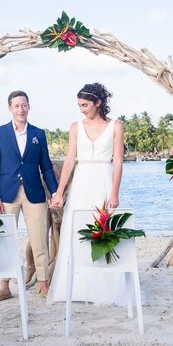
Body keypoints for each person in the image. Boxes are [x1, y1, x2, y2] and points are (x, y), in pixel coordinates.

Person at [48, 83, 128, 305]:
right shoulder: (75, 127)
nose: (81, 109)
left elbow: (119, 162)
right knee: (78, 232)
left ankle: (106, 289)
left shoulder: (115, 126)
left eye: (85, 105)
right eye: (79, 105)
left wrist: (114, 192)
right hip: (82, 183)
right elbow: (69, 161)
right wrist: (59, 192)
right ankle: (78, 288)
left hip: (104, 178)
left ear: (98, 103)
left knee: (105, 230)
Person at [0, 91, 58, 300]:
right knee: (5, 241)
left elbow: (45, 166)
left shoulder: (39, 134)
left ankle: (43, 285)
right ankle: (5, 287)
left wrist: (54, 192)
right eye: (16, 106)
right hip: (6, 195)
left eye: (24, 105)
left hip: (34, 194)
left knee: (39, 240)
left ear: (29, 107)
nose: (20, 109)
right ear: (10, 108)